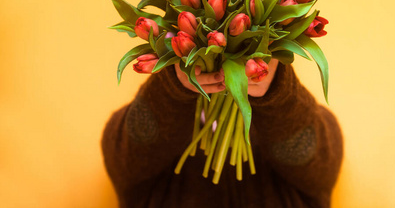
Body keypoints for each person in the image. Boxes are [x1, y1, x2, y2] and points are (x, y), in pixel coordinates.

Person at [101, 59, 343, 208]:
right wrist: (172, 85)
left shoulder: (300, 125)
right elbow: (123, 156)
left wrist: (275, 91)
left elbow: (321, 162)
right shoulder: (146, 127)